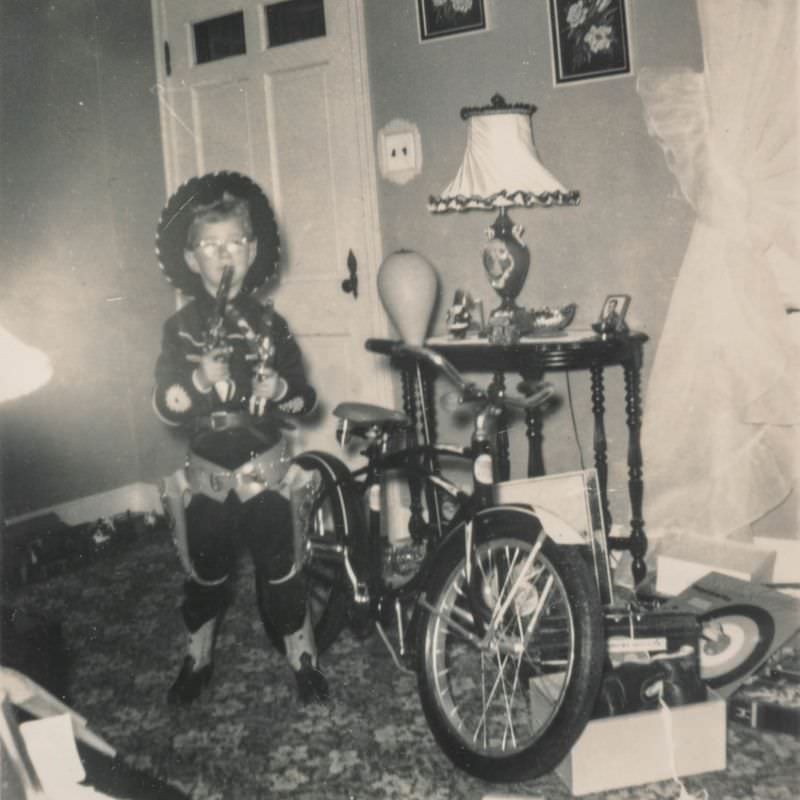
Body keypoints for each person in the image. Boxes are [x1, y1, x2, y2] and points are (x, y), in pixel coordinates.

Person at [153, 171, 328, 707]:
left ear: (251, 252)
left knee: (282, 567)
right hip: (208, 472)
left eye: (234, 243)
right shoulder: (179, 328)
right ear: (190, 259)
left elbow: (306, 399)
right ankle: (197, 656)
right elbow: (165, 404)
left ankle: (303, 658)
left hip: (265, 471)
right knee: (204, 572)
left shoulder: (271, 326)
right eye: (210, 245)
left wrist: (280, 390)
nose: (222, 255)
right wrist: (199, 381)